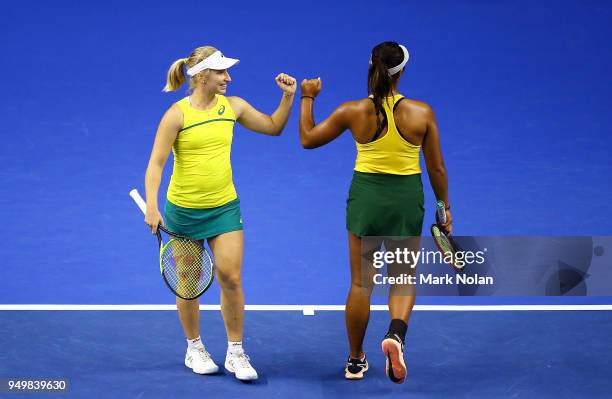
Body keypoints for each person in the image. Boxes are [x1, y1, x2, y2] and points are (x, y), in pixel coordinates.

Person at [299, 41, 452, 383]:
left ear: (371, 68)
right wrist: (444, 209)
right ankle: (395, 334)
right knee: (402, 279)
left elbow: (308, 138)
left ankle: (355, 361)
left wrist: (308, 97)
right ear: (402, 72)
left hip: (366, 200)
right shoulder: (421, 113)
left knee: (360, 284)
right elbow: (437, 169)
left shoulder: (353, 111)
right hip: (404, 202)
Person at [144, 45, 296, 381]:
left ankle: (236, 352)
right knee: (188, 284)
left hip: (224, 207)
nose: (228, 78)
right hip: (183, 213)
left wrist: (287, 98)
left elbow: (273, 127)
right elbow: (156, 163)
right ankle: (194, 347)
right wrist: (152, 206)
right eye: (221, 72)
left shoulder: (234, 107)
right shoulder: (176, 115)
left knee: (231, 277)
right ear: (201, 77)